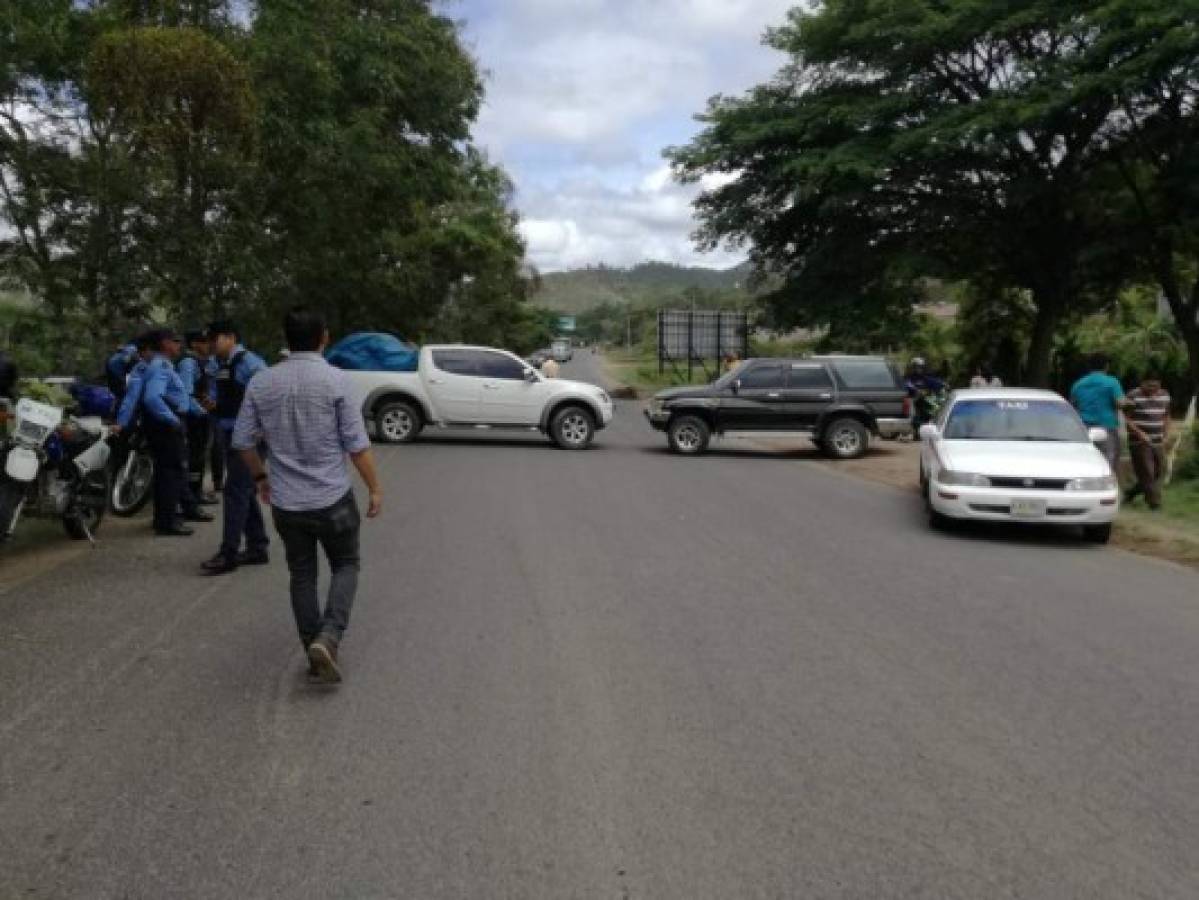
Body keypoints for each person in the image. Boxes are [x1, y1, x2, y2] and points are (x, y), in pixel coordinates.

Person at [232, 308, 382, 684]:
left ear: (286, 338)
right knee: (346, 564)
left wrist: (261, 477)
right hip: (333, 497)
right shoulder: (337, 381)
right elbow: (357, 445)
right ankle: (328, 638)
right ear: (324, 338)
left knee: (302, 574)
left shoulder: (262, 382)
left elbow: (242, 441)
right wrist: (375, 488)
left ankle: (312, 643)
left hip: (286, 502)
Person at [201, 321, 268, 575]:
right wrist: (213, 405)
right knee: (244, 491)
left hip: (250, 439)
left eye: (214, 339)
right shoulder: (219, 365)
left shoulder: (250, 363)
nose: (210, 345)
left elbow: (267, 397)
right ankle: (257, 547)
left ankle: (228, 553)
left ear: (230, 337)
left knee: (234, 491)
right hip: (230, 433)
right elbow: (224, 398)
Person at [140, 329, 213, 536]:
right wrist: (172, 420)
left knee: (172, 471)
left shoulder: (164, 365)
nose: (179, 345)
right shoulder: (160, 366)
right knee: (170, 473)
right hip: (166, 425)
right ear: (164, 343)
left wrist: (198, 412)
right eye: (176, 341)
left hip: (168, 422)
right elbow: (152, 398)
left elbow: (178, 397)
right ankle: (166, 522)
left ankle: (168, 518)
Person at [177, 330, 218, 506]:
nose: (208, 345)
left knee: (200, 456)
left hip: (201, 414)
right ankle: (191, 495)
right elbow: (186, 393)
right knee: (194, 456)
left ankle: (196, 491)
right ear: (194, 344)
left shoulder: (204, 363)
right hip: (193, 417)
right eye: (203, 342)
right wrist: (200, 410)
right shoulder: (188, 363)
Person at [1070, 352, 1127, 473]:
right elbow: (1120, 403)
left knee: (1086, 460)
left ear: (1089, 366)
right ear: (1106, 366)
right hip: (1107, 426)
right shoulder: (1112, 382)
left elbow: (1073, 406)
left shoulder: (1078, 384)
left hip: (1084, 427)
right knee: (1108, 461)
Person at [1124, 371, 1172, 510]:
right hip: (1139, 441)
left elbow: (1167, 416)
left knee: (1157, 472)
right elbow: (1126, 419)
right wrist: (1139, 433)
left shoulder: (1165, 395)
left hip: (1157, 440)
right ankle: (1154, 503)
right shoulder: (1133, 396)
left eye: (1156, 386)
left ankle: (1131, 492)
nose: (1153, 389)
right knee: (1147, 472)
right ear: (1142, 384)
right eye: (1149, 386)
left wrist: (1166, 433)